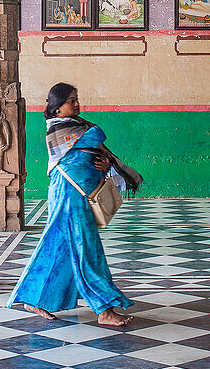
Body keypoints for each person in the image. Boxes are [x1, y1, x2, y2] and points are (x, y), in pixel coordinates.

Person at [9, 83, 135, 326]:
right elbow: (97, 135)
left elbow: (95, 152)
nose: (77, 104)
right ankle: (104, 309)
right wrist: (96, 148)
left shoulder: (77, 127)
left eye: (77, 99)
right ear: (56, 109)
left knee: (59, 248)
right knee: (87, 249)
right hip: (67, 198)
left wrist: (105, 163)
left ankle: (34, 298)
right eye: (71, 101)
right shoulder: (58, 130)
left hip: (78, 198)